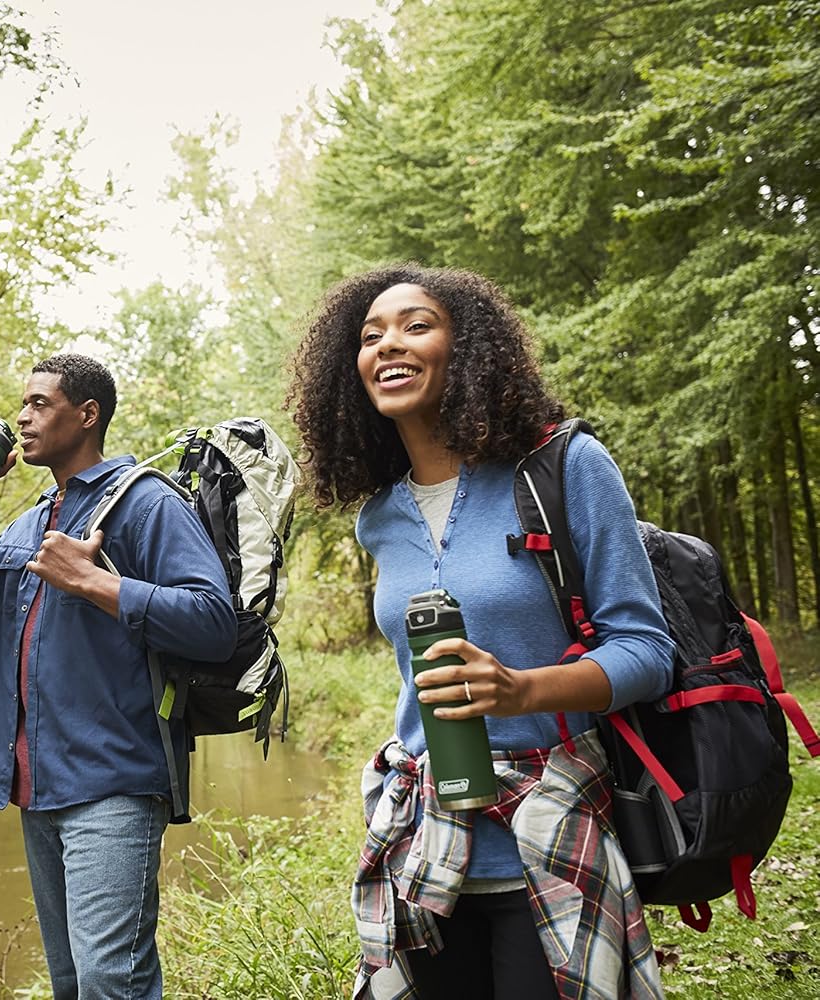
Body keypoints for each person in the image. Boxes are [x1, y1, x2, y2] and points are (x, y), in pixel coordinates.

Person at [285, 265, 676, 999]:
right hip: (424, 842)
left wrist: (521, 689)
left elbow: (647, 651)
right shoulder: (380, 516)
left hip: (549, 835)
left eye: (416, 325)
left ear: (466, 350)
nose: (388, 344)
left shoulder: (564, 468)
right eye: (371, 336)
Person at [0, 353, 237, 999]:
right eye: (22, 404)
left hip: (113, 783)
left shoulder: (144, 503)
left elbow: (213, 621)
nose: (23, 416)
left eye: (40, 403)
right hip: (39, 788)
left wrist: (93, 581)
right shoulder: (36, 517)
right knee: (72, 982)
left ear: (86, 414)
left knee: (108, 981)